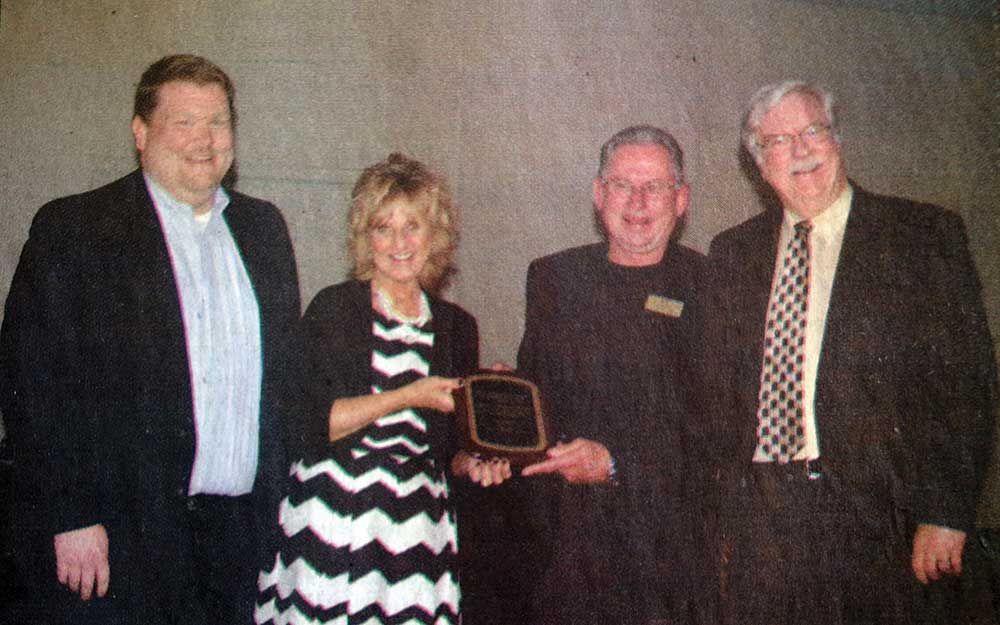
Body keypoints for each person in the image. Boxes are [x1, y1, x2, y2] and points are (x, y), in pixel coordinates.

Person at [0, 54, 301, 624]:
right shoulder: (77, 229)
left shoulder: (263, 230)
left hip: (236, 541)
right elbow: (30, 384)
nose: (204, 139)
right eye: (183, 122)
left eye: (217, 121)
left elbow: (285, 384)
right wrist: (71, 515)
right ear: (141, 133)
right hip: (116, 542)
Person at [702, 80, 997, 625]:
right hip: (762, 527)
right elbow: (714, 395)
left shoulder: (921, 236)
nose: (801, 150)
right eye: (779, 141)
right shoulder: (731, 253)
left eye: (812, 130)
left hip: (883, 522)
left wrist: (947, 511)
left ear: (836, 139)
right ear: (758, 164)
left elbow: (966, 386)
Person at [254, 153, 510, 625]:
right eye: (383, 227)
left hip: (417, 527)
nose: (399, 242)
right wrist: (407, 396)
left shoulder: (457, 327)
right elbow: (310, 424)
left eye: (412, 226)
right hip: (334, 516)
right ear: (364, 238)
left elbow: (449, 450)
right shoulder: (334, 309)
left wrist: (478, 455)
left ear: (435, 236)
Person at [506, 125, 708, 624]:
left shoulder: (714, 286)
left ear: (680, 200)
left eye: (655, 187)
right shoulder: (552, 277)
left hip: (667, 560)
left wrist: (617, 464)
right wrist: (488, 440)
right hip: (561, 550)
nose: (637, 202)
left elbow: (718, 429)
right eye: (622, 185)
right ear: (599, 195)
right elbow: (535, 395)